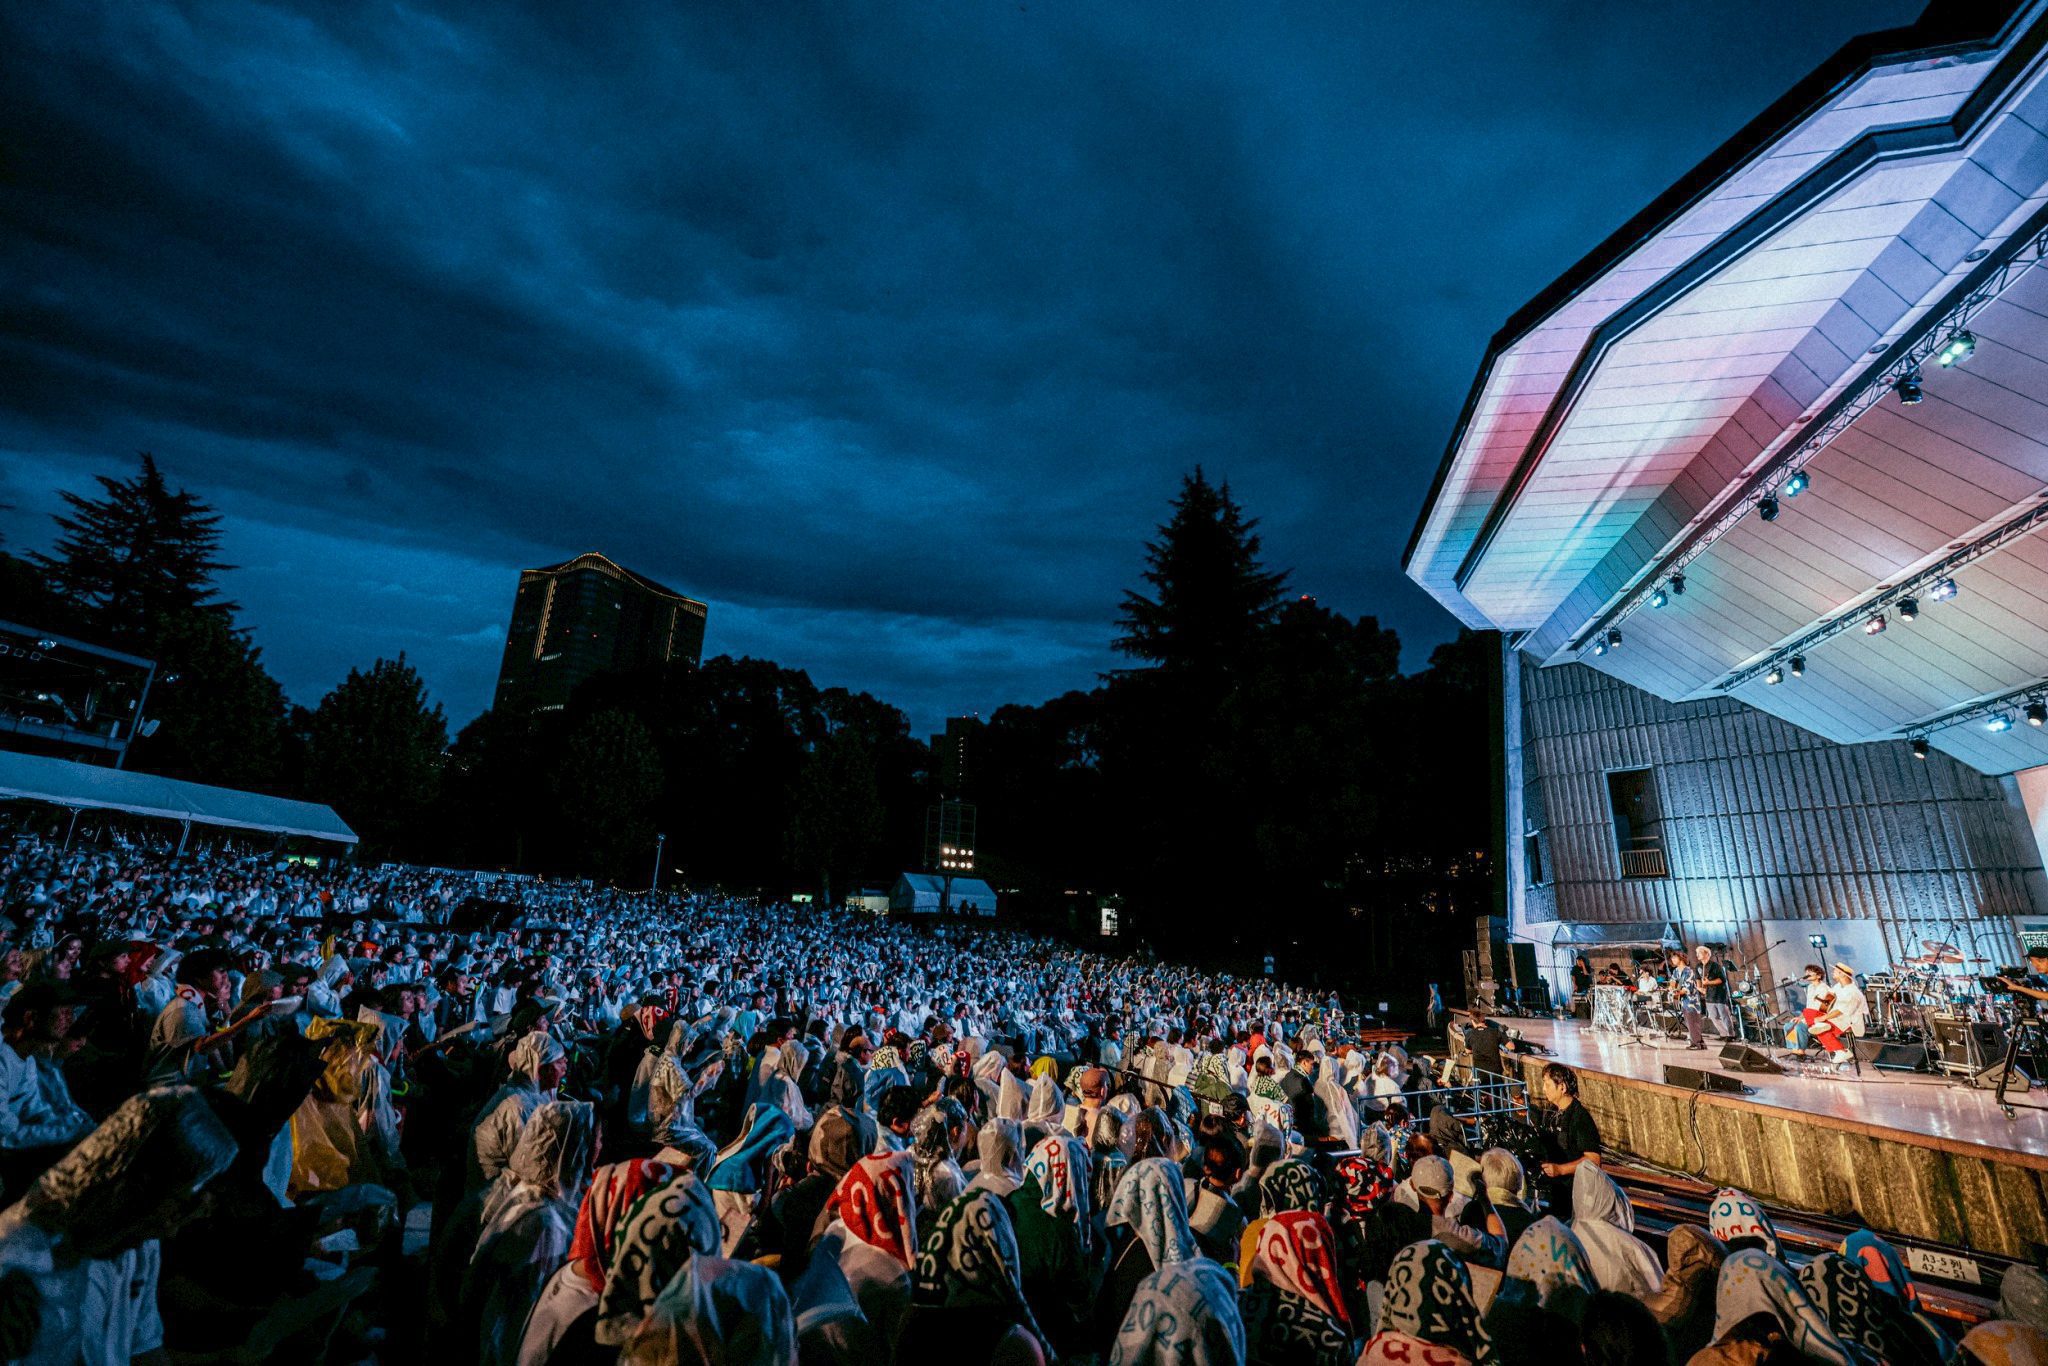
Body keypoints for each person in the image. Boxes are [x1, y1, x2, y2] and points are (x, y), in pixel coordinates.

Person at [1536, 1062, 1599, 1212]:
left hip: (1575, 1194)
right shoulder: (1551, 1112)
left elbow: (1594, 1159)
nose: (1544, 1089)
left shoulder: (1580, 1117)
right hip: (1554, 1191)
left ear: (1562, 1087)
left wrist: (1561, 1169)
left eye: (1547, 1084)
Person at [1695, 944, 1734, 1040]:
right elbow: (1698, 979)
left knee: (1724, 1015)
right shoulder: (1698, 966)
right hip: (1709, 995)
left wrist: (1709, 982)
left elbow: (1722, 979)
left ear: (1707, 954)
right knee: (1713, 1017)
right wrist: (1699, 988)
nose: (1697, 955)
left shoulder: (1715, 966)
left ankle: (1731, 1034)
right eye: (1697, 953)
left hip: (1719, 994)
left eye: (1699, 953)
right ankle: (1723, 1033)